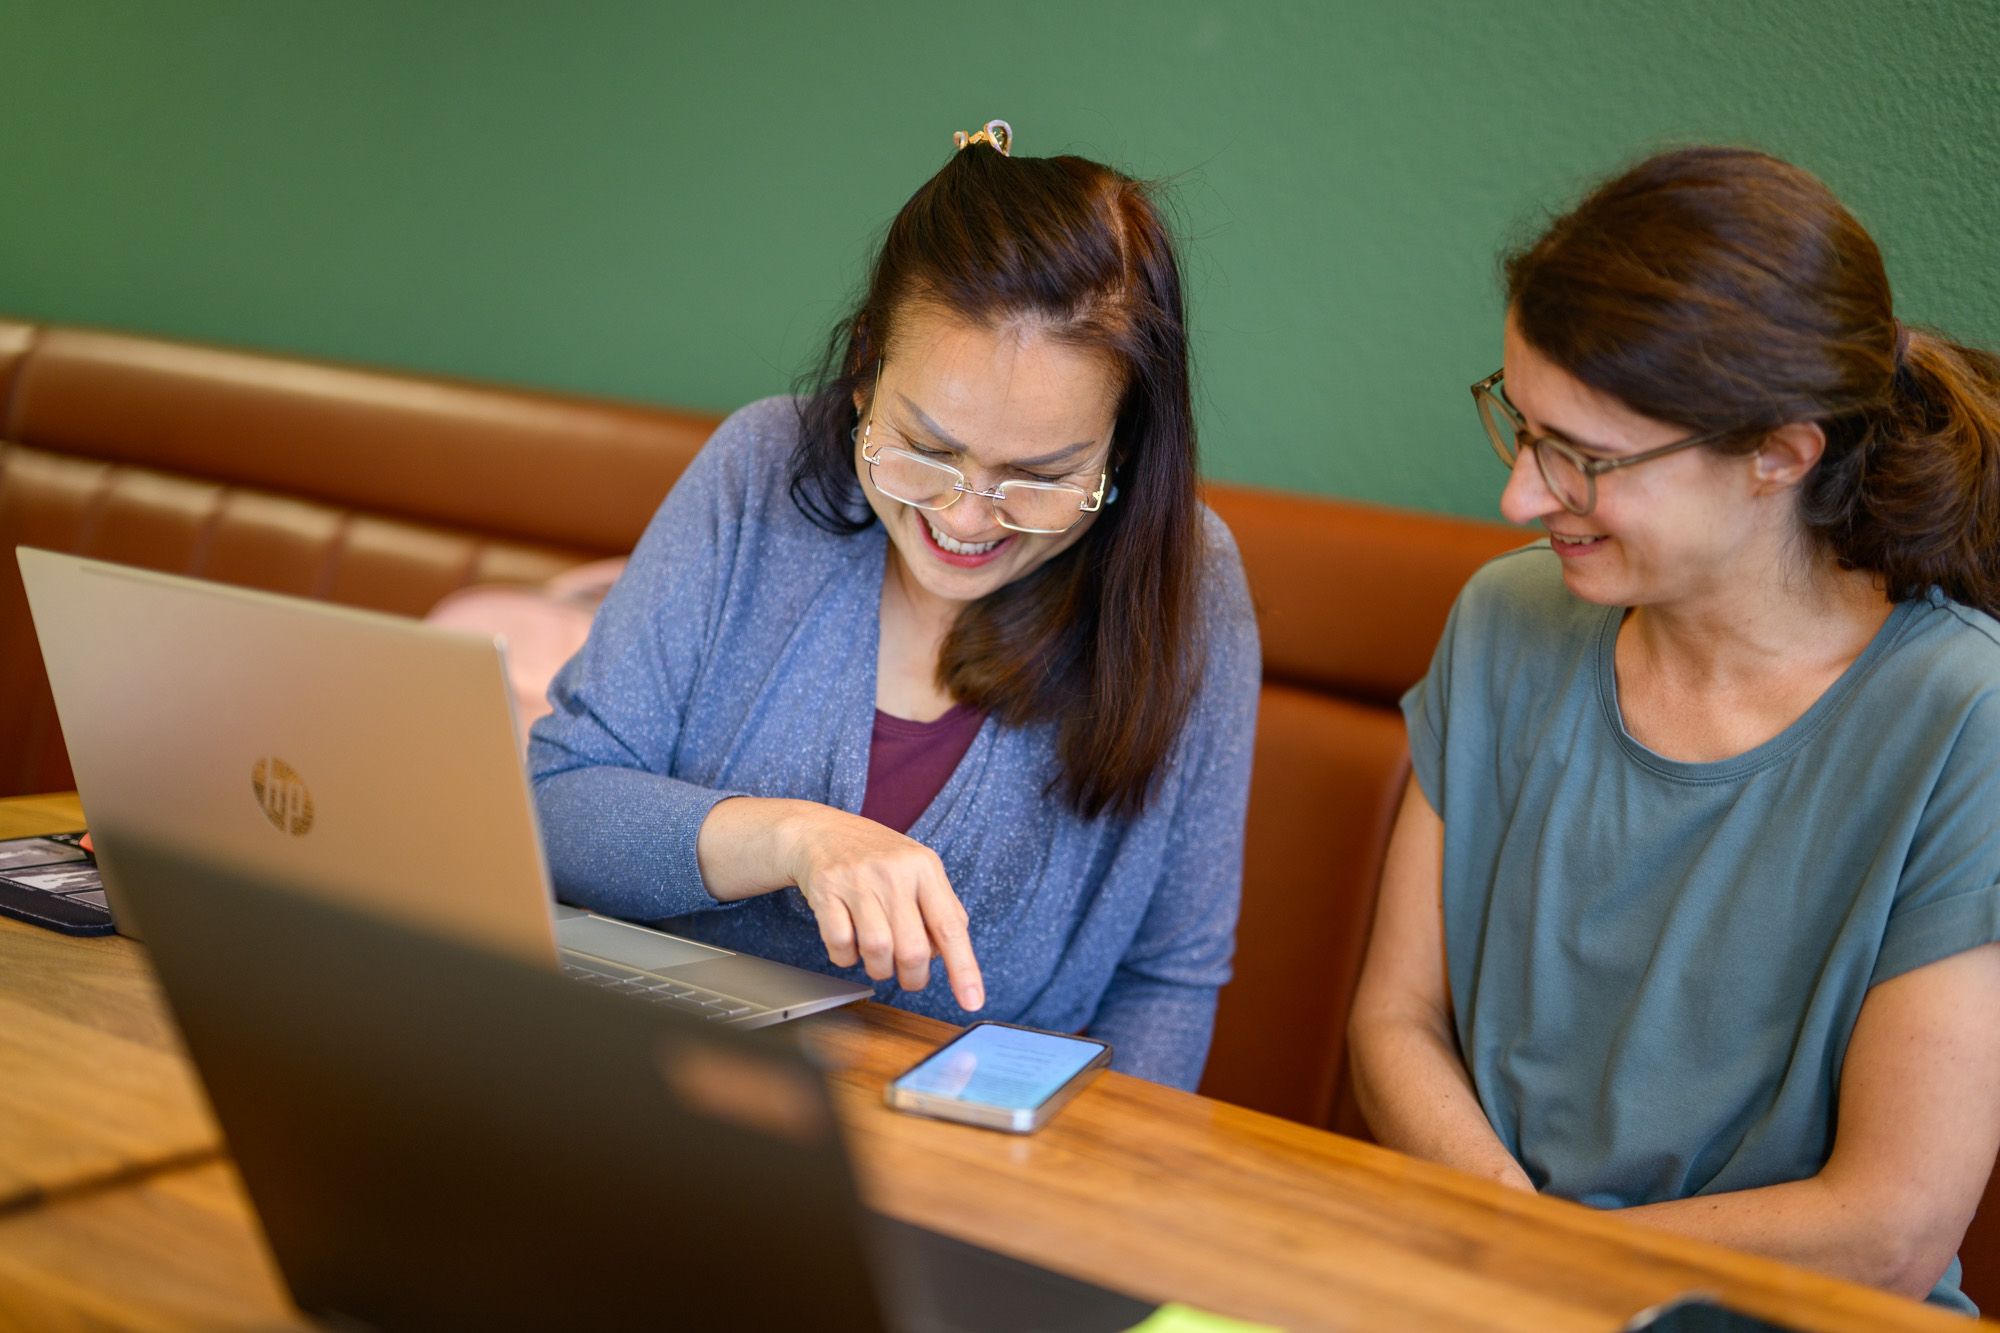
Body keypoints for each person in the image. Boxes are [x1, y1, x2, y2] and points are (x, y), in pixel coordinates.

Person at [1348, 146, 2000, 1311]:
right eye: (1520, 421)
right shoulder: (1503, 619)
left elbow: (1890, 1229)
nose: (1518, 496)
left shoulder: (1964, 718)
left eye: (1584, 459)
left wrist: (1558, 1271)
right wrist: (1510, 1249)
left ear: (1778, 454)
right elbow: (1395, 1019)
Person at [528, 121, 1260, 1090]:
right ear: (866, 369)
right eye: (925, 447)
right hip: (643, 1095)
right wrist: (795, 839)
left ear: (1123, 446)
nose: (963, 517)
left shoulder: (1190, 587)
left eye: (1037, 476)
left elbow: (1167, 979)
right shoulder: (758, 469)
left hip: (972, 1173)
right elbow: (556, 808)